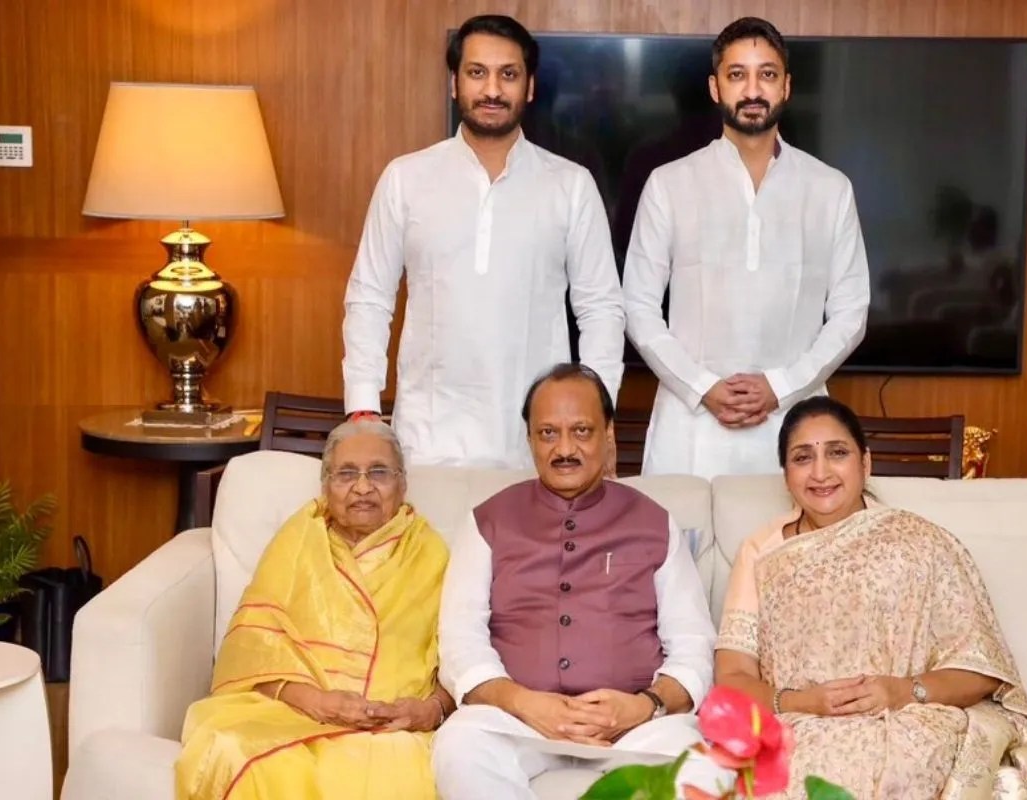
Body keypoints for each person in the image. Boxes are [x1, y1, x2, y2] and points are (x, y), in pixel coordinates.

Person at [713, 396, 1027, 798]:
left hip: (909, 719)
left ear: (866, 463)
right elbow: (732, 681)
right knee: (805, 768)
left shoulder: (920, 542)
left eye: (837, 453)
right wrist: (805, 702)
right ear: (786, 476)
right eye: (802, 458)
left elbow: (981, 670)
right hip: (800, 723)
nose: (820, 472)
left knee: (898, 767)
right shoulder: (763, 552)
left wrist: (902, 691)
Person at [342, 14, 625, 469]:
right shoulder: (405, 179)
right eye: (477, 72)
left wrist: (597, 418)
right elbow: (370, 298)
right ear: (454, 83)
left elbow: (601, 309)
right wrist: (363, 409)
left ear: (529, 87)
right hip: (426, 445)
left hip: (540, 450)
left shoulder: (570, 185)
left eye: (508, 74)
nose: (492, 89)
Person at [431, 363, 727, 798]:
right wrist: (525, 703)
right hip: (518, 721)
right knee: (461, 746)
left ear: (608, 434)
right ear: (529, 439)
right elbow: (460, 641)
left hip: (633, 727)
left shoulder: (653, 523)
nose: (564, 449)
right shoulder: (488, 522)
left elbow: (693, 645)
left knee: (705, 769)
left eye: (581, 431)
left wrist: (644, 705)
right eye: (548, 433)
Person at [622, 17, 870, 479]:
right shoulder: (670, 184)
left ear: (786, 86)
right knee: (680, 528)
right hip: (689, 426)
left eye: (767, 74)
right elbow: (638, 306)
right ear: (715, 87)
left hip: (795, 421)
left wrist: (781, 386)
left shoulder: (829, 188)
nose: (753, 90)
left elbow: (851, 312)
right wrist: (702, 386)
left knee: (792, 529)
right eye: (737, 74)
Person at [175, 420, 451, 799]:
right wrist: (318, 703)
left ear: (402, 484)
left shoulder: (431, 553)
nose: (363, 487)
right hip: (294, 712)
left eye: (379, 472)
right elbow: (251, 654)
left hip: (390, 728)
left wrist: (430, 710)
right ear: (325, 486)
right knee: (229, 749)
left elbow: (463, 659)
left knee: (388, 768)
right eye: (346, 474)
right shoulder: (298, 540)